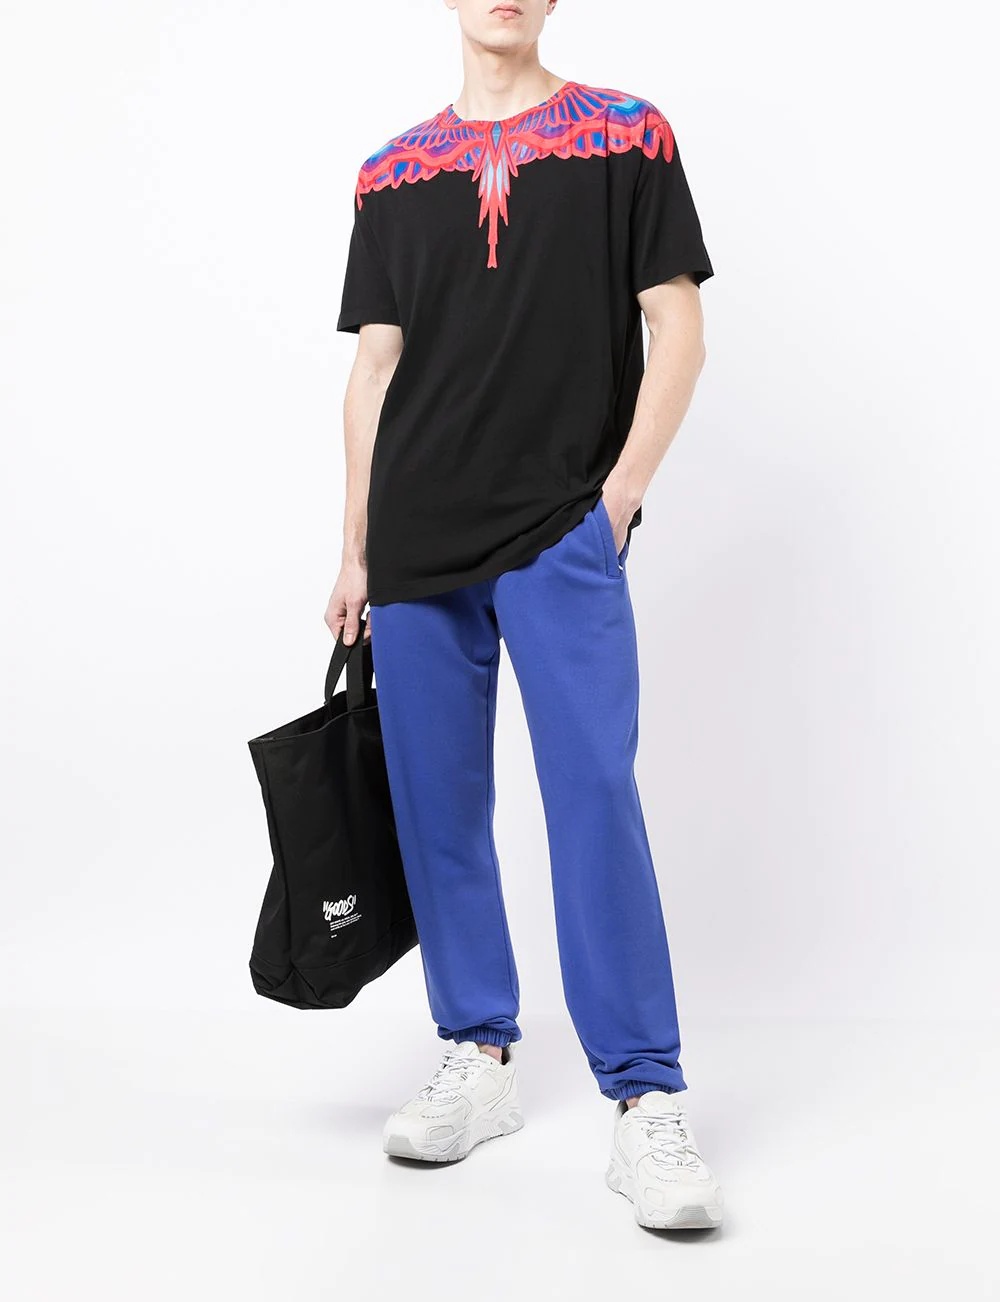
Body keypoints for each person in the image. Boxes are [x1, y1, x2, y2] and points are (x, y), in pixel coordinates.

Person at [326, 0, 724, 1230]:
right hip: (417, 537)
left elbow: (676, 322)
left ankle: (646, 1094)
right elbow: (376, 365)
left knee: (593, 794)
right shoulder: (390, 172)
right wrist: (355, 546)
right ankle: (477, 1053)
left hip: (561, 526)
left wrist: (619, 497)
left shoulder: (625, 135)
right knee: (437, 806)